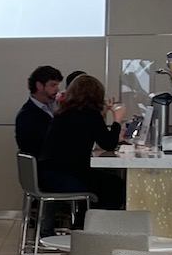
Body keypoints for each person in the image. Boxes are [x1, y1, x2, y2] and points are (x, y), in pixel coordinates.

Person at [40, 72, 126, 210]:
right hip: (68, 175)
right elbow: (109, 144)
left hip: (48, 174)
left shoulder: (62, 112)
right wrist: (117, 119)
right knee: (115, 184)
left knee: (107, 181)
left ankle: (85, 221)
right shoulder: (91, 115)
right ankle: (96, 225)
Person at [16, 65, 63, 158]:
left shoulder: (57, 107)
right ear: (39, 86)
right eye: (53, 85)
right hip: (48, 167)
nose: (57, 89)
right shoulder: (27, 116)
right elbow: (39, 148)